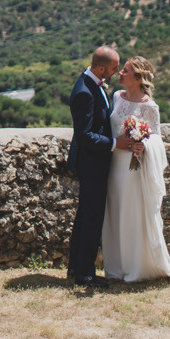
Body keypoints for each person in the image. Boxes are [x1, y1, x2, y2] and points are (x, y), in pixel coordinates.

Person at [102, 56, 170, 283]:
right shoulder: (116, 97)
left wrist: (144, 145)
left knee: (132, 214)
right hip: (114, 165)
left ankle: (137, 266)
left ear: (138, 77)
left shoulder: (150, 106)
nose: (120, 73)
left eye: (126, 71)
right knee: (115, 212)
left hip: (134, 169)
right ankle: (117, 267)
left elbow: (157, 139)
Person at [66, 45, 121, 287]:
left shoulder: (93, 83)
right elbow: (85, 135)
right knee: (91, 217)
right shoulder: (84, 92)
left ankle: (75, 267)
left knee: (85, 216)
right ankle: (85, 274)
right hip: (91, 164)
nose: (117, 72)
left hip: (94, 162)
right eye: (114, 68)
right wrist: (116, 144)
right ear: (101, 69)